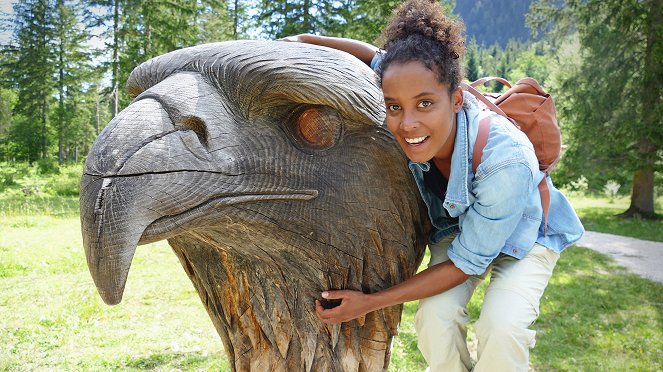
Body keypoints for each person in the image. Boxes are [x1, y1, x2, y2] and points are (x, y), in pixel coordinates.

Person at [282, 1, 584, 371]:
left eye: (425, 103)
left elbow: (464, 265)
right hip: (461, 229)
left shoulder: (505, 162)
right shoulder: (407, 72)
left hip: (526, 234)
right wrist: (294, 42)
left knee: (503, 329)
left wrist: (371, 301)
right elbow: (368, 54)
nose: (407, 123)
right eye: (394, 107)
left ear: (456, 99)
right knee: (434, 324)